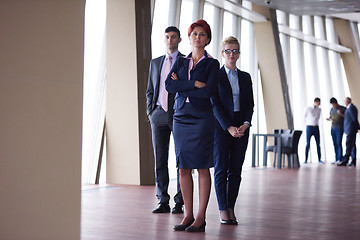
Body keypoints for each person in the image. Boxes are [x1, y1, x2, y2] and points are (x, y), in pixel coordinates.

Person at [165, 19, 219, 233]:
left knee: (202, 166)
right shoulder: (180, 61)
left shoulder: (212, 64)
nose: (198, 37)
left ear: (207, 39)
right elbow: (169, 85)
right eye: (194, 34)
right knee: (183, 168)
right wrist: (193, 84)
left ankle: (200, 217)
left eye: (202, 34)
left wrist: (182, 86)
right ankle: (187, 215)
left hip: (201, 118)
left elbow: (208, 92)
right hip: (180, 117)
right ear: (188, 38)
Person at [212, 36, 254, 225]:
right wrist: (228, 127)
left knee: (236, 170)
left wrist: (245, 124)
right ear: (222, 54)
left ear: (239, 53)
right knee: (221, 169)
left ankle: (230, 207)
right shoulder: (216, 76)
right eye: (228, 51)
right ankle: (222, 209)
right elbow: (214, 104)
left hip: (241, 125)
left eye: (235, 50)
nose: (232, 54)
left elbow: (250, 105)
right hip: (222, 126)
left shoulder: (245, 77)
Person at [146, 26, 184, 214]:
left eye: (173, 37)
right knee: (160, 160)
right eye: (167, 37)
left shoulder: (186, 61)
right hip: (158, 115)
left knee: (181, 160)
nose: (170, 40)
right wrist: (150, 112)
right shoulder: (155, 63)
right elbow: (150, 90)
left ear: (179, 39)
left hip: (179, 115)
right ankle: (162, 200)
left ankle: (180, 201)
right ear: (164, 39)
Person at [337, 97, 360, 167]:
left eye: (345, 101)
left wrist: (358, 127)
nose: (344, 103)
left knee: (349, 145)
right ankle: (353, 161)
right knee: (352, 145)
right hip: (351, 129)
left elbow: (353, 118)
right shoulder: (350, 108)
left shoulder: (351, 108)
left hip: (351, 129)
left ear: (347, 102)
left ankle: (345, 160)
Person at [326, 97, 346, 164]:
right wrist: (329, 118)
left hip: (339, 128)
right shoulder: (332, 109)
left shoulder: (342, 108)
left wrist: (341, 114)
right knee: (335, 143)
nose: (333, 106)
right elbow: (331, 116)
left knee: (338, 143)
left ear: (336, 103)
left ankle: (340, 159)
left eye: (333, 104)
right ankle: (336, 158)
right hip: (333, 128)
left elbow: (347, 116)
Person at [304, 98, 323, 164]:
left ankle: (319, 159)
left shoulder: (319, 109)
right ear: (315, 102)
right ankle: (305, 159)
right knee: (308, 143)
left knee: (318, 143)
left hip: (316, 127)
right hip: (309, 126)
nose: (319, 104)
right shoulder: (308, 108)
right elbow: (304, 117)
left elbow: (318, 117)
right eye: (318, 103)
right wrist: (307, 123)